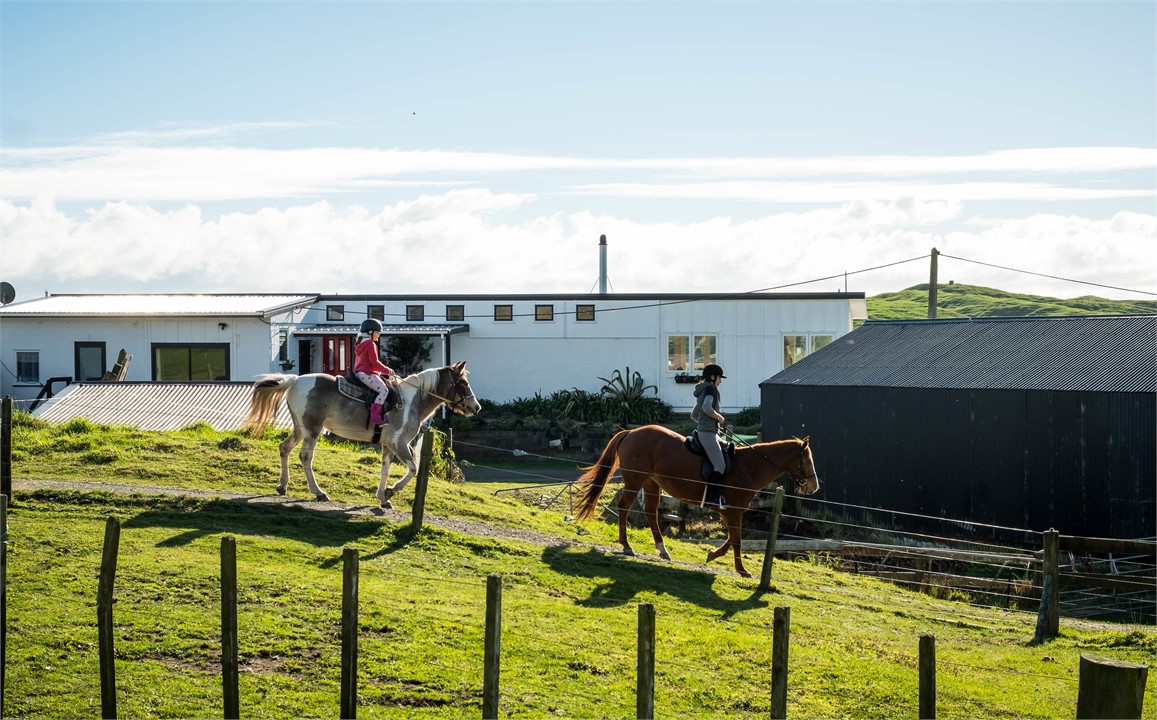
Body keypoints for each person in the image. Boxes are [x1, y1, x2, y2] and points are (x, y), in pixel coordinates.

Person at [691, 363, 727, 507]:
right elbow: (706, 408)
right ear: (713, 377)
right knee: (720, 465)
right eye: (719, 378)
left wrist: (711, 424)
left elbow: (694, 415)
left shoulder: (702, 389)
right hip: (707, 433)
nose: (720, 381)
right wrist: (719, 418)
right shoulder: (711, 389)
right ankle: (712, 499)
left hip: (707, 431)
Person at [353, 318, 396, 426]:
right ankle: (376, 417)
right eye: (377, 332)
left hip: (361, 373)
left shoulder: (360, 344)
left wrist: (380, 372)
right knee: (384, 391)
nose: (379, 335)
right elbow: (374, 363)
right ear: (370, 332)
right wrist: (388, 371)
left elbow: (368, 363)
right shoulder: (370, 344)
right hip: (366, 374)